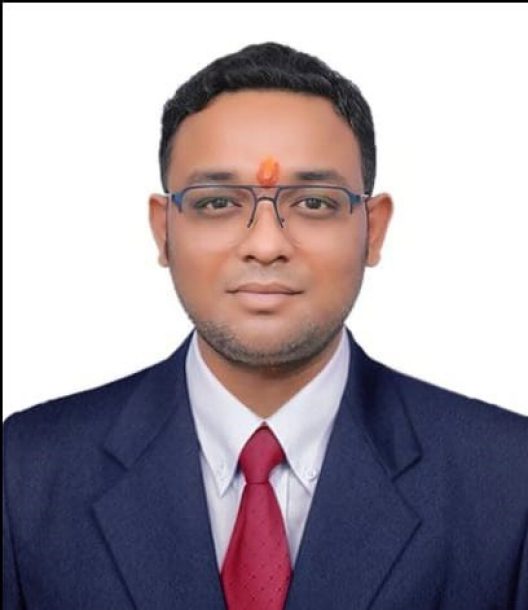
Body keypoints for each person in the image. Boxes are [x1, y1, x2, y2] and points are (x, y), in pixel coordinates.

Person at [3, 41, 527, 610]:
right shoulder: (27, 472)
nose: (267, 244)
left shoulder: (507, 476)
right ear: (164, 230)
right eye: (217, 203)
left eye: (315, 203)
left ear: (372, 230)